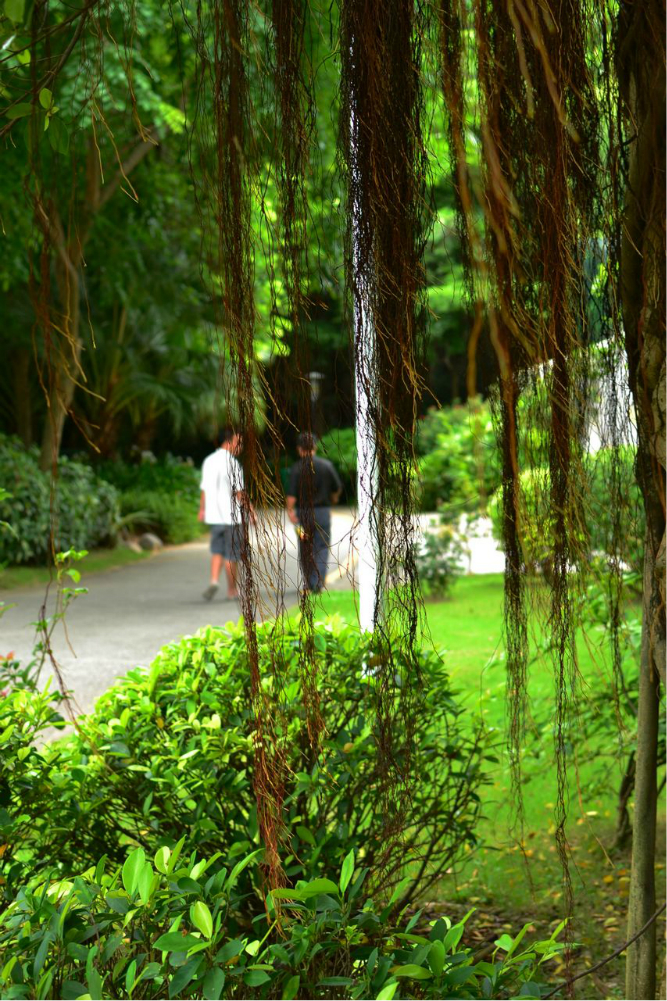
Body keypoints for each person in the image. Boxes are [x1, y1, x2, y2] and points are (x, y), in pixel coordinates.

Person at [198, 427, 252, 601]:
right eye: (238, 442)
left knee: (217, 551)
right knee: (231, 554)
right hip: (231, 517)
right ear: (229, 441)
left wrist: (202, 510)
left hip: (214, 516)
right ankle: (232, 590)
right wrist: (251, 511)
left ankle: (214, 580)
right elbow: (239, 493)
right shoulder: (233, 463)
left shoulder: (209, 461)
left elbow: (204, 489)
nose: (240, 446)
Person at [286, 432, 342, 594]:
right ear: (315, 447)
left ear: (299, 449)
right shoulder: (326, 466)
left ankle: (309, 582)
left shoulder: (296, 468)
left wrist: (290, 511)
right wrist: (333, 499)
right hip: (322, 512)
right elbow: (337, 488)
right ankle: (317, 582)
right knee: (322, 547)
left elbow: (291, 496)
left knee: (305, 546)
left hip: (303, 513)